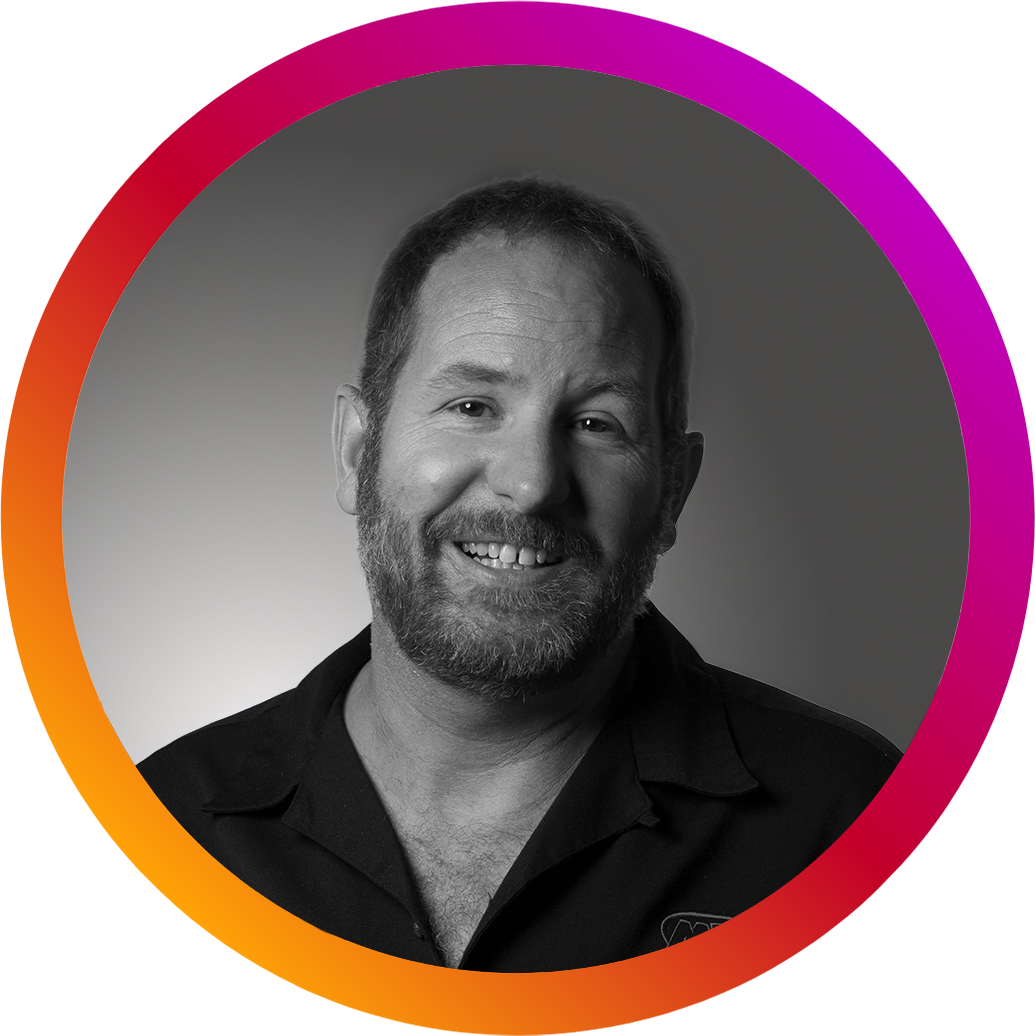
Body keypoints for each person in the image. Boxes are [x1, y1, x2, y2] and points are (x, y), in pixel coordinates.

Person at [140, 178, 900, 974]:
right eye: (472, 406)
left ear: (672, 489)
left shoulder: (858, 827)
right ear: (358, 451)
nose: (533, 482)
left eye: (596, 424)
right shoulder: (157, 835)